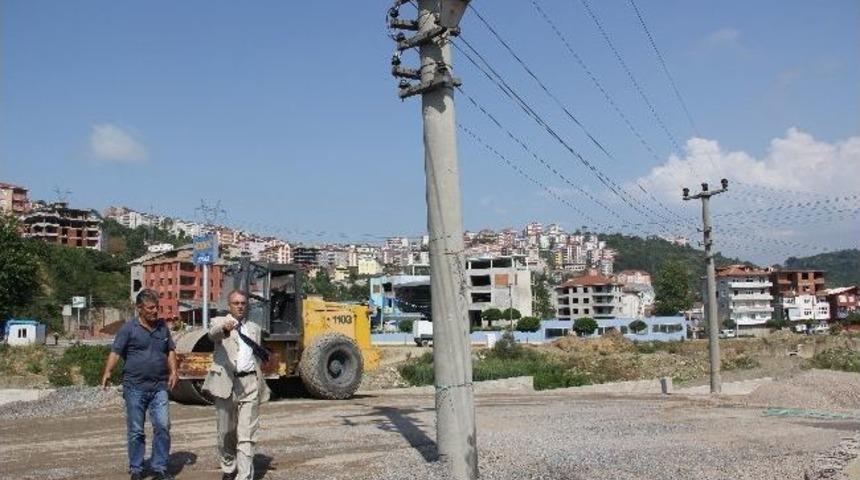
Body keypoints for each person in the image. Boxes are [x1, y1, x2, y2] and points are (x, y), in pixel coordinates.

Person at [101, 289, 178, 480]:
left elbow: (170, 350)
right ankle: (136, 468)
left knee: (162, 426)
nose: (155, 311)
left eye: (156, 307)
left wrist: (174, 371)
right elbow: (116, 352)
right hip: (134, 387)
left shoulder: (162, 327)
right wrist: (107, 372)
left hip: (159, 386)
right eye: (150, 308)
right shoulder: (128, 329)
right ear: (139, 309)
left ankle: (159, 467)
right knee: (136, 430)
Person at [203, 290, 270, 480]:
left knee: (247, 434)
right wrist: (225, 328)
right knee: (226, 432)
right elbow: (213, 335)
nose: (240, 306)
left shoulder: (254, 328)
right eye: (236, 303)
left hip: (250, 383)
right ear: (229, 305)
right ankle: (229, 466)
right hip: (226, 383)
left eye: (243, 303)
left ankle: (244, 475)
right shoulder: (219, 322)